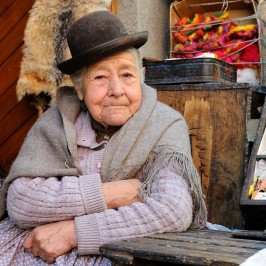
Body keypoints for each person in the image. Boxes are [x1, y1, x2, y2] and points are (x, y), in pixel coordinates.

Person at [0, 10, 207, 265]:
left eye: (127, 75)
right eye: (99, 77)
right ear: (78, 88)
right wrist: (117, 193)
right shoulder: (55, 123)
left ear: (141, 77)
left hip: (120, 253)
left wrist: (73, 232)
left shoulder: (164, 125)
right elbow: (21, 202)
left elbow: (172, 210)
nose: (117, 90)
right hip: (37, 248)